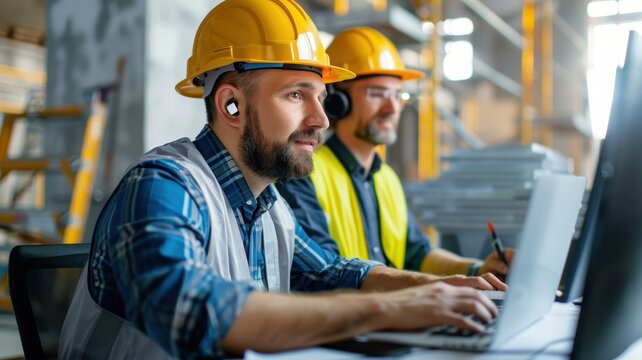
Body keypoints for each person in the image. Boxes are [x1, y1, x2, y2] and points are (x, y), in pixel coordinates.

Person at [59, 2, 503, 359]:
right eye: (296, 95)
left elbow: (334, 273)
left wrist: (444, 289)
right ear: (231, 105)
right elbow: (191, 309)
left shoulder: (271, 206)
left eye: (321, 98)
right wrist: (388, 310)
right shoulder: (163, 186)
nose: (321, 119)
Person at [277, 27, 515, 279]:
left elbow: (419, 254)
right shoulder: (304, 173)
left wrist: (477, 270)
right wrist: (441, 288)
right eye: (377, 94)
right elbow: (326, 274)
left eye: (397, 95)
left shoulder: (387, 179)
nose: (392, 108)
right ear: (336, 100)